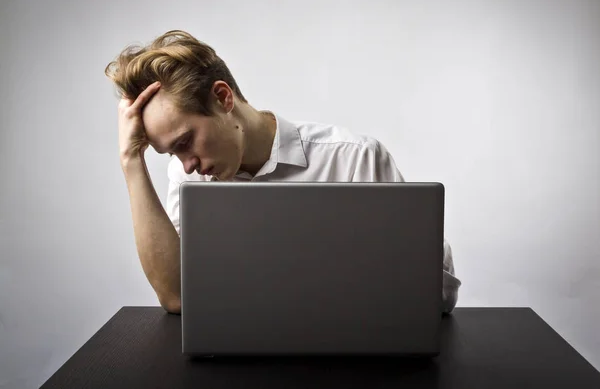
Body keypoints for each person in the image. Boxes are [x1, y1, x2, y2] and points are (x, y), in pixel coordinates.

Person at [106, 30, 462, 315]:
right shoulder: (187, 178)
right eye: (171, 153)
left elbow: (438, 299)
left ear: (222, 98)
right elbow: (177, 298)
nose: (187, 164)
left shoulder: (355, 159)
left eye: (185, 142)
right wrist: (131, 161)